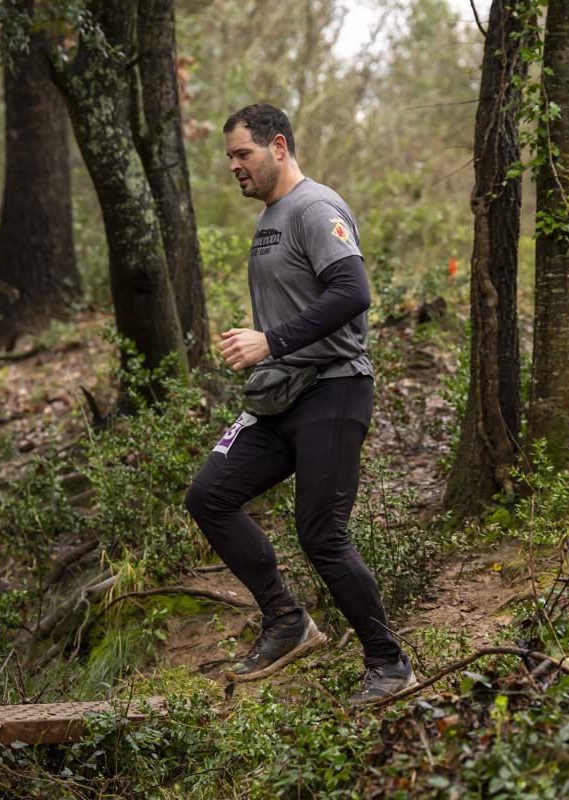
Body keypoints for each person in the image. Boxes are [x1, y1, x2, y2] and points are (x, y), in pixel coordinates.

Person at [184, 103, 415, 706]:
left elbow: (353, 292)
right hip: (280, 397)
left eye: (243, 153)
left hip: (334, 390)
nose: (234, 165)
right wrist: (267, 349)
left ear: (279, 146)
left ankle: (389, 663)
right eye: (230, 156)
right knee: (209, 495)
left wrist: (271, 341)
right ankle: (286, 620)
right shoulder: (271, 218)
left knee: (321, 534)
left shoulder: (315, 208)